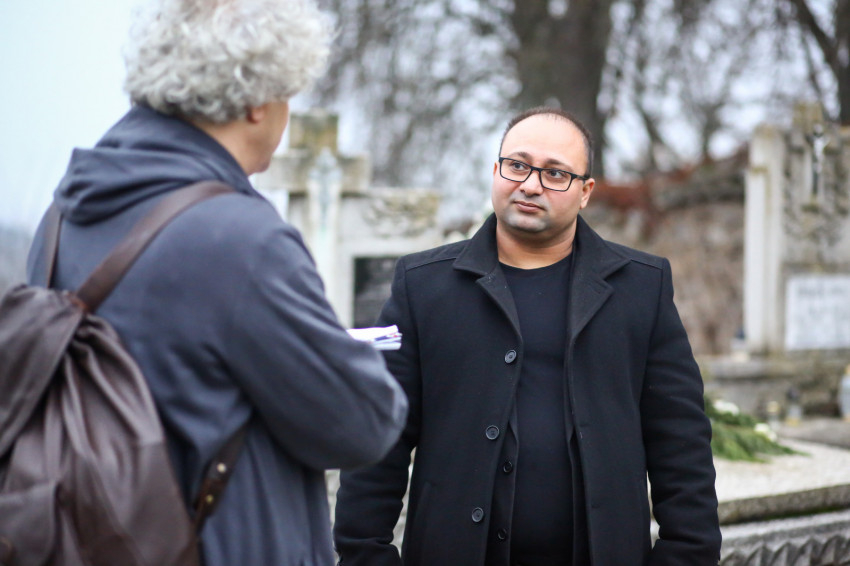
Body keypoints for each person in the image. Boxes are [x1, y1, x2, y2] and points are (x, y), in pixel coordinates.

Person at [25, 1, 408, 565]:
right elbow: (362, 425)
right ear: (257, 103)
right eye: (287, 95)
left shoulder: (61, 218)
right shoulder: (242, 239)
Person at [333, 107, 721, 566]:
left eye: (556, 173)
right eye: (517, 165)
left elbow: (681, 445)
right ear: (496, 170)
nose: (531, 184)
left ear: (585, 192)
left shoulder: (640, 288)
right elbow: (380, 438)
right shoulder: (423, 286)